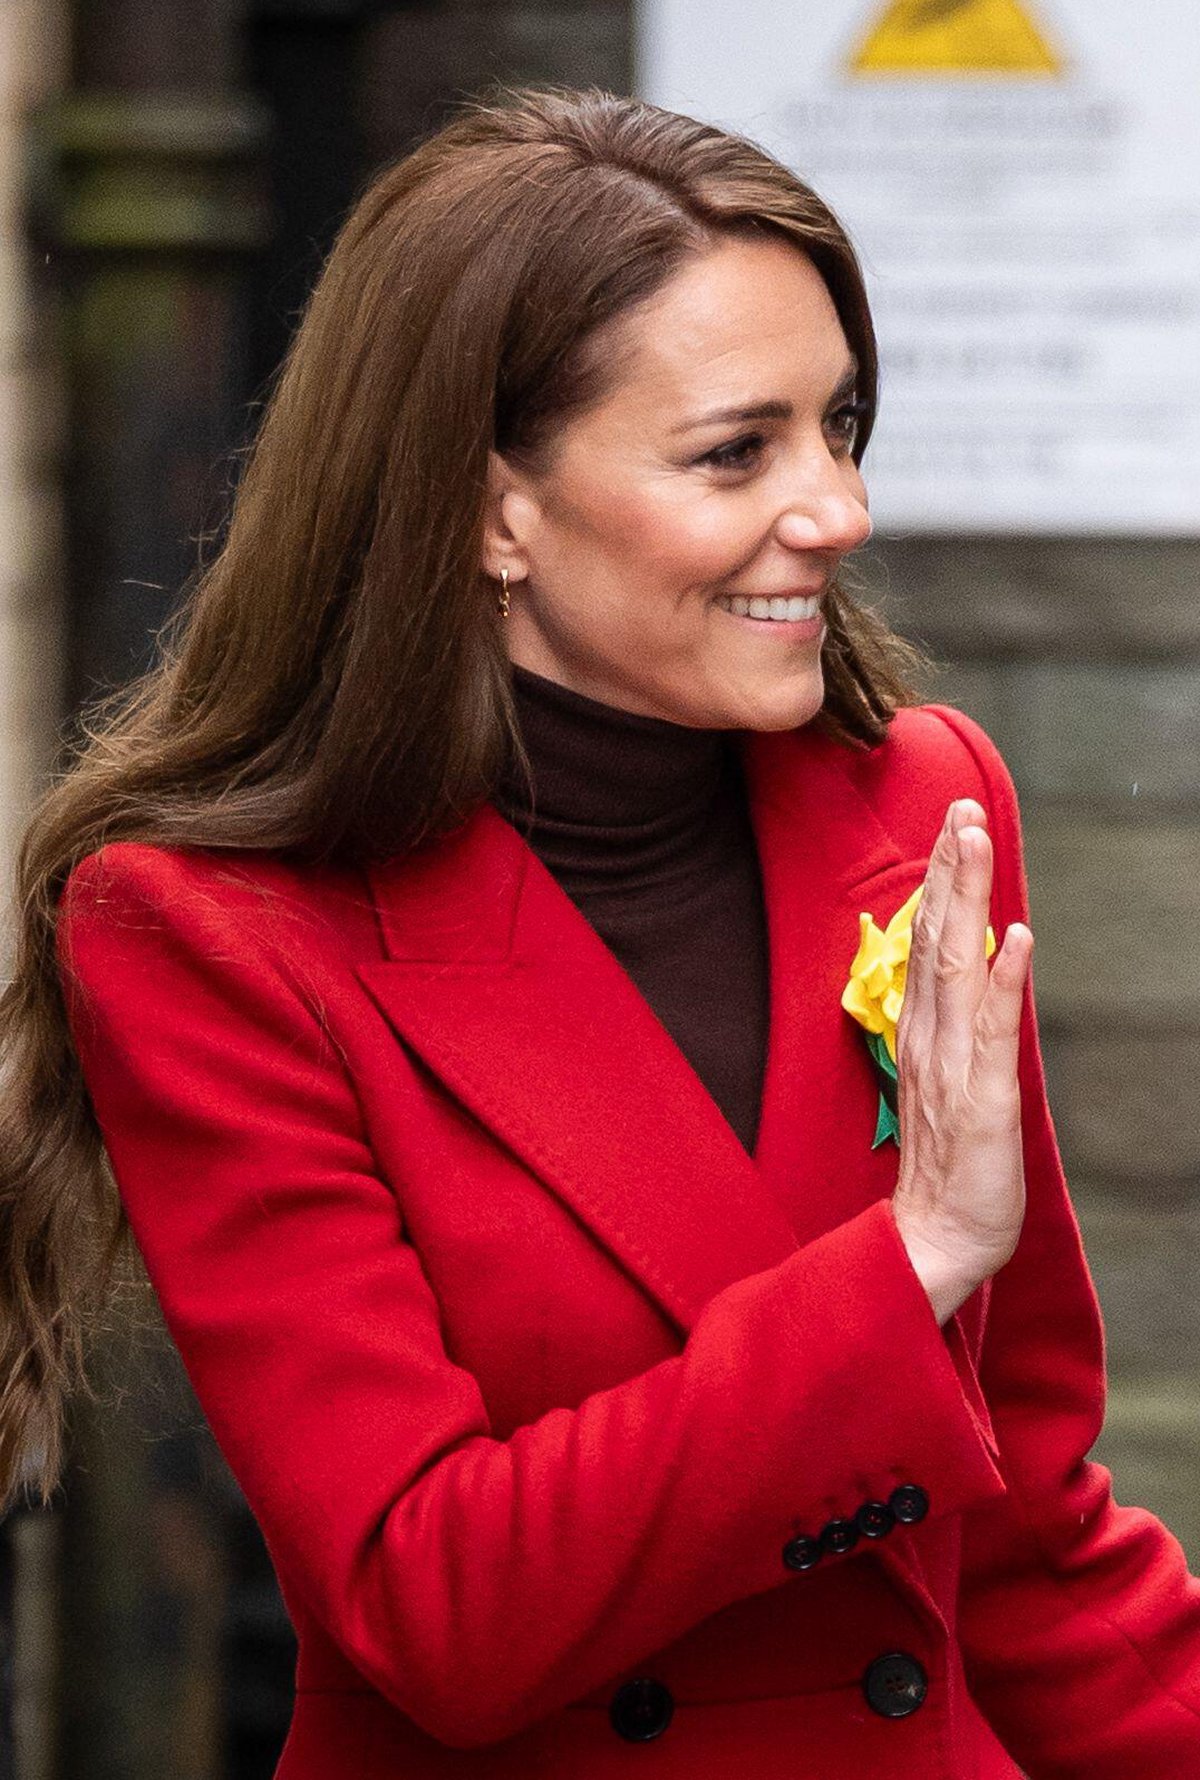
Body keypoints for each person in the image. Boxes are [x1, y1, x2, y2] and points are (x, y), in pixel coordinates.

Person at [2, 84, 1199, 1779]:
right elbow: (437, 1612)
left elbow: (1022, 1525)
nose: (838, 511)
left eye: (839, 426)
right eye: (738, 450)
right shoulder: (206, 933)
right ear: (492, 509)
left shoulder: (922, 804)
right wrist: (910, 1263)